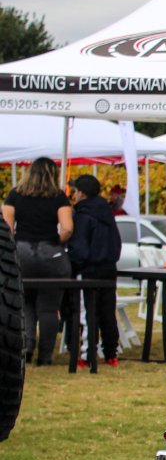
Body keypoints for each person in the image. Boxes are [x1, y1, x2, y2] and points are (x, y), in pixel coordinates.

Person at [2, 157, 74, 365]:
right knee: (49, 308)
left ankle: (26, 349)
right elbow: (68, 227)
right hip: (50, 254)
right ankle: (45, 356)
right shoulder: (59, 197)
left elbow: (6, 226)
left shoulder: (15, 195)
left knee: (24, 305)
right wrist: (55, 242)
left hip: (22, 253)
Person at [67, 174, 122, 368]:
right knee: (107, 312)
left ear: (81, 193)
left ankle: (87, 354)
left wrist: (73, 266)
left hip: (89, 269)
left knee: (87, 313)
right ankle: (111, 353)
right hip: (109, 268)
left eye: (75, 191)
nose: (73, 194)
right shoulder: (107, 213)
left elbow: (79, 248)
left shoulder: (83, 215)